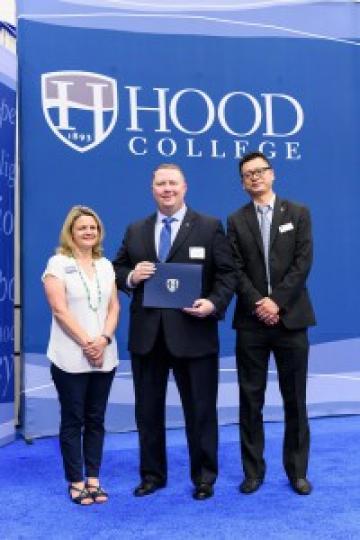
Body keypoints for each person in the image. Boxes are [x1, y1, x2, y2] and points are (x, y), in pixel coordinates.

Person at [113, 163, 235, 500]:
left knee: (200, 410)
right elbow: (116, 268)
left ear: (185, 187)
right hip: (147, 337)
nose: (167, 189)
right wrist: (131, 277)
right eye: (161, 184)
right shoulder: (136, 229)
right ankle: (152, 475)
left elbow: (228, 274)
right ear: (152, 189)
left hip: (194, 334)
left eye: (173, 183)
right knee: (148, 412)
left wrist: (213, 303)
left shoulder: (209, 227)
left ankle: (204, 477)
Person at [227, 151, 316, 496]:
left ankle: (297, 472)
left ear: (273, 174)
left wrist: (276, 301)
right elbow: (234, 269)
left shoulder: (298, 213)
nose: (255, 177)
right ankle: (253, 473)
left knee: (295, 399)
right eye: (248, 174)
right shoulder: (235, 221)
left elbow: (303, 262)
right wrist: (259, 304)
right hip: (251, 323)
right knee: (251, 401)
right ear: (242, 182)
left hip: (291, 320)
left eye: (261, 171)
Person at [42, 205, 120, 505]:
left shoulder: (105, 264)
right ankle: (75, 482)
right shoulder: (57, 263)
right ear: (70, 233)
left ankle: (94, 479)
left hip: (105, 354)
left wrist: (102, 340)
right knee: (73, 419)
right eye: (82, 228)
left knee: (96, 419)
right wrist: (88, 343)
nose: (88, 232)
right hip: (70, 355)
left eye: (93, 228)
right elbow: (59, 309)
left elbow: (114, 306)